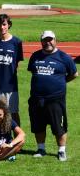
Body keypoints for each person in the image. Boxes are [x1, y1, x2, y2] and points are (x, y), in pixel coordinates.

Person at [27, 30, 77, 161]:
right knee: (38, 125)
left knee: (58, 126)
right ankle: (41, 149)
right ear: (41, 41)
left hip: (55, 99)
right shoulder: (35, 56)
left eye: (50, 39)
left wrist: (61, 82)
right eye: (45, 40)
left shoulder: (64, 57)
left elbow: (74, 74)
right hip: (37, 98)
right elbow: (33, 72)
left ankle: (61, 151)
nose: (48, 42)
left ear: (55, 40)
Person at [0, 14, 24, 124]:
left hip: (10, 85)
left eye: (4, 24)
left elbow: (17, 63)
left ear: (9, 25)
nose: (2, 27)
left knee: (13, 112)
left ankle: (18, 137)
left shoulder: (16, 42)